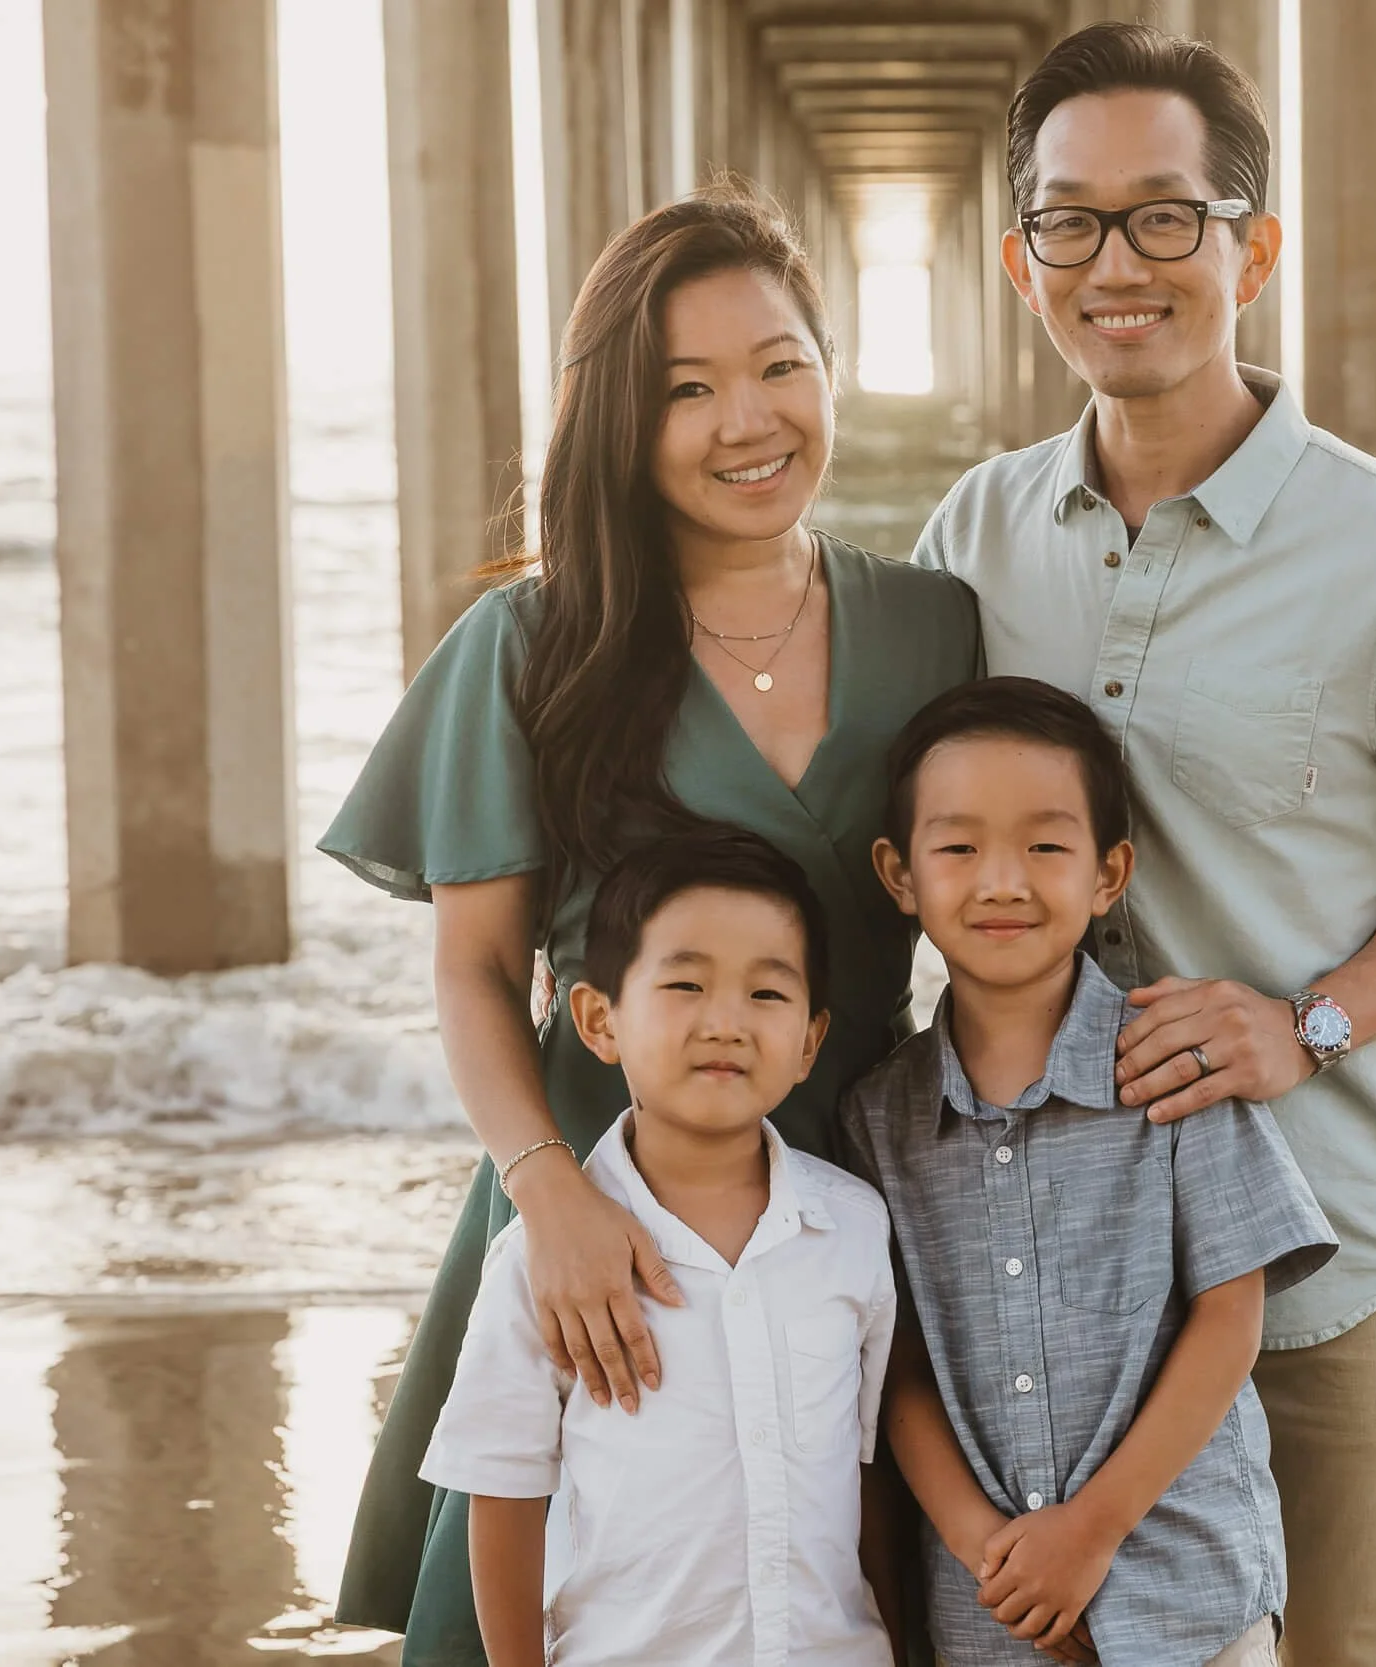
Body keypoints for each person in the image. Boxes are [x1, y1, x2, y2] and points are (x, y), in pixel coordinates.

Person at [914, 25, 1376, 1667]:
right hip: (1050, 1268)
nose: (1114, 262)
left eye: (1162, 215)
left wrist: (1311, 1021)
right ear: (1021, 260)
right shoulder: (969, 538)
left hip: (1332, 1255)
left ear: (1249, 248)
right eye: (1070, 221)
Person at [321, 186, 980, 1659]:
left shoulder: (936, 622)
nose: (748, 419)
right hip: (601, 1193)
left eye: (780, 365)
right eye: (688, 388)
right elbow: (479, 971)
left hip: (859, 1185)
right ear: (621, 419)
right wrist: (549, 1195)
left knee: (838, 1584)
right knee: (575, 1587)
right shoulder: (533, 644)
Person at [841, 678, 1337, 1667]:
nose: (1002, 880)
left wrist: (1094, 1526)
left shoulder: (1171, 1058)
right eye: (958, 847)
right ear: (899, 874)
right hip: (990, 1614)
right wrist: (997, 1555)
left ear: (1109, 872)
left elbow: (1229, 1315)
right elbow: (896, 1373)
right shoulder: (878, 1116)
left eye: (1045, 845)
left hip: (1187, 1593)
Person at [422, 827, 898, 1667]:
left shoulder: (852, 1226)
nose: (726, 1021)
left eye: (767, 995)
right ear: (599, 1019)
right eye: (684, 983)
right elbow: (501, 1491)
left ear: (811, 1042)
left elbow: (863, 1473)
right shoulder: (546, 1258)